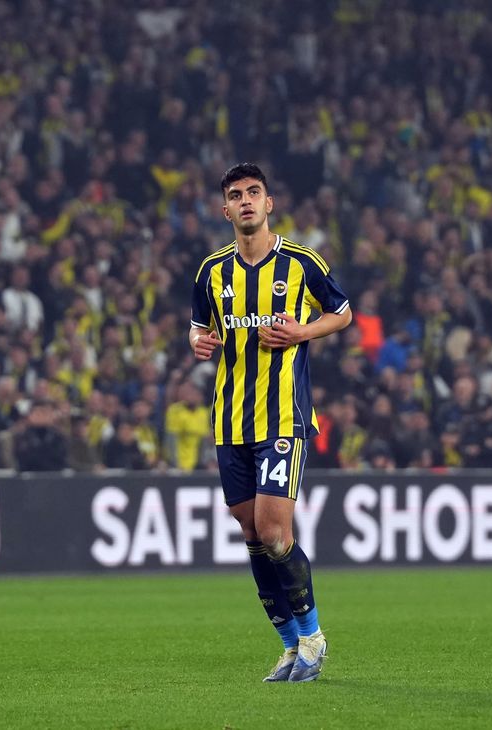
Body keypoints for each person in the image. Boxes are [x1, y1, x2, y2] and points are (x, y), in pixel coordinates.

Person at [189, 163, 352, 683]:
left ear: (269, 202)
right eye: (236, 195)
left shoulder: (301, 263)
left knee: (277, 534)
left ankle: (313, 636)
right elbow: (198, 329)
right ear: (225, 210)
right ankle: (288, 646)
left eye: (254, 192)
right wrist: (199, 343)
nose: (246, 201)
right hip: (229, 419)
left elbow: (343, 312)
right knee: (252, 532)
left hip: (282, 415)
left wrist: (302, 331)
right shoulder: (211, 271)